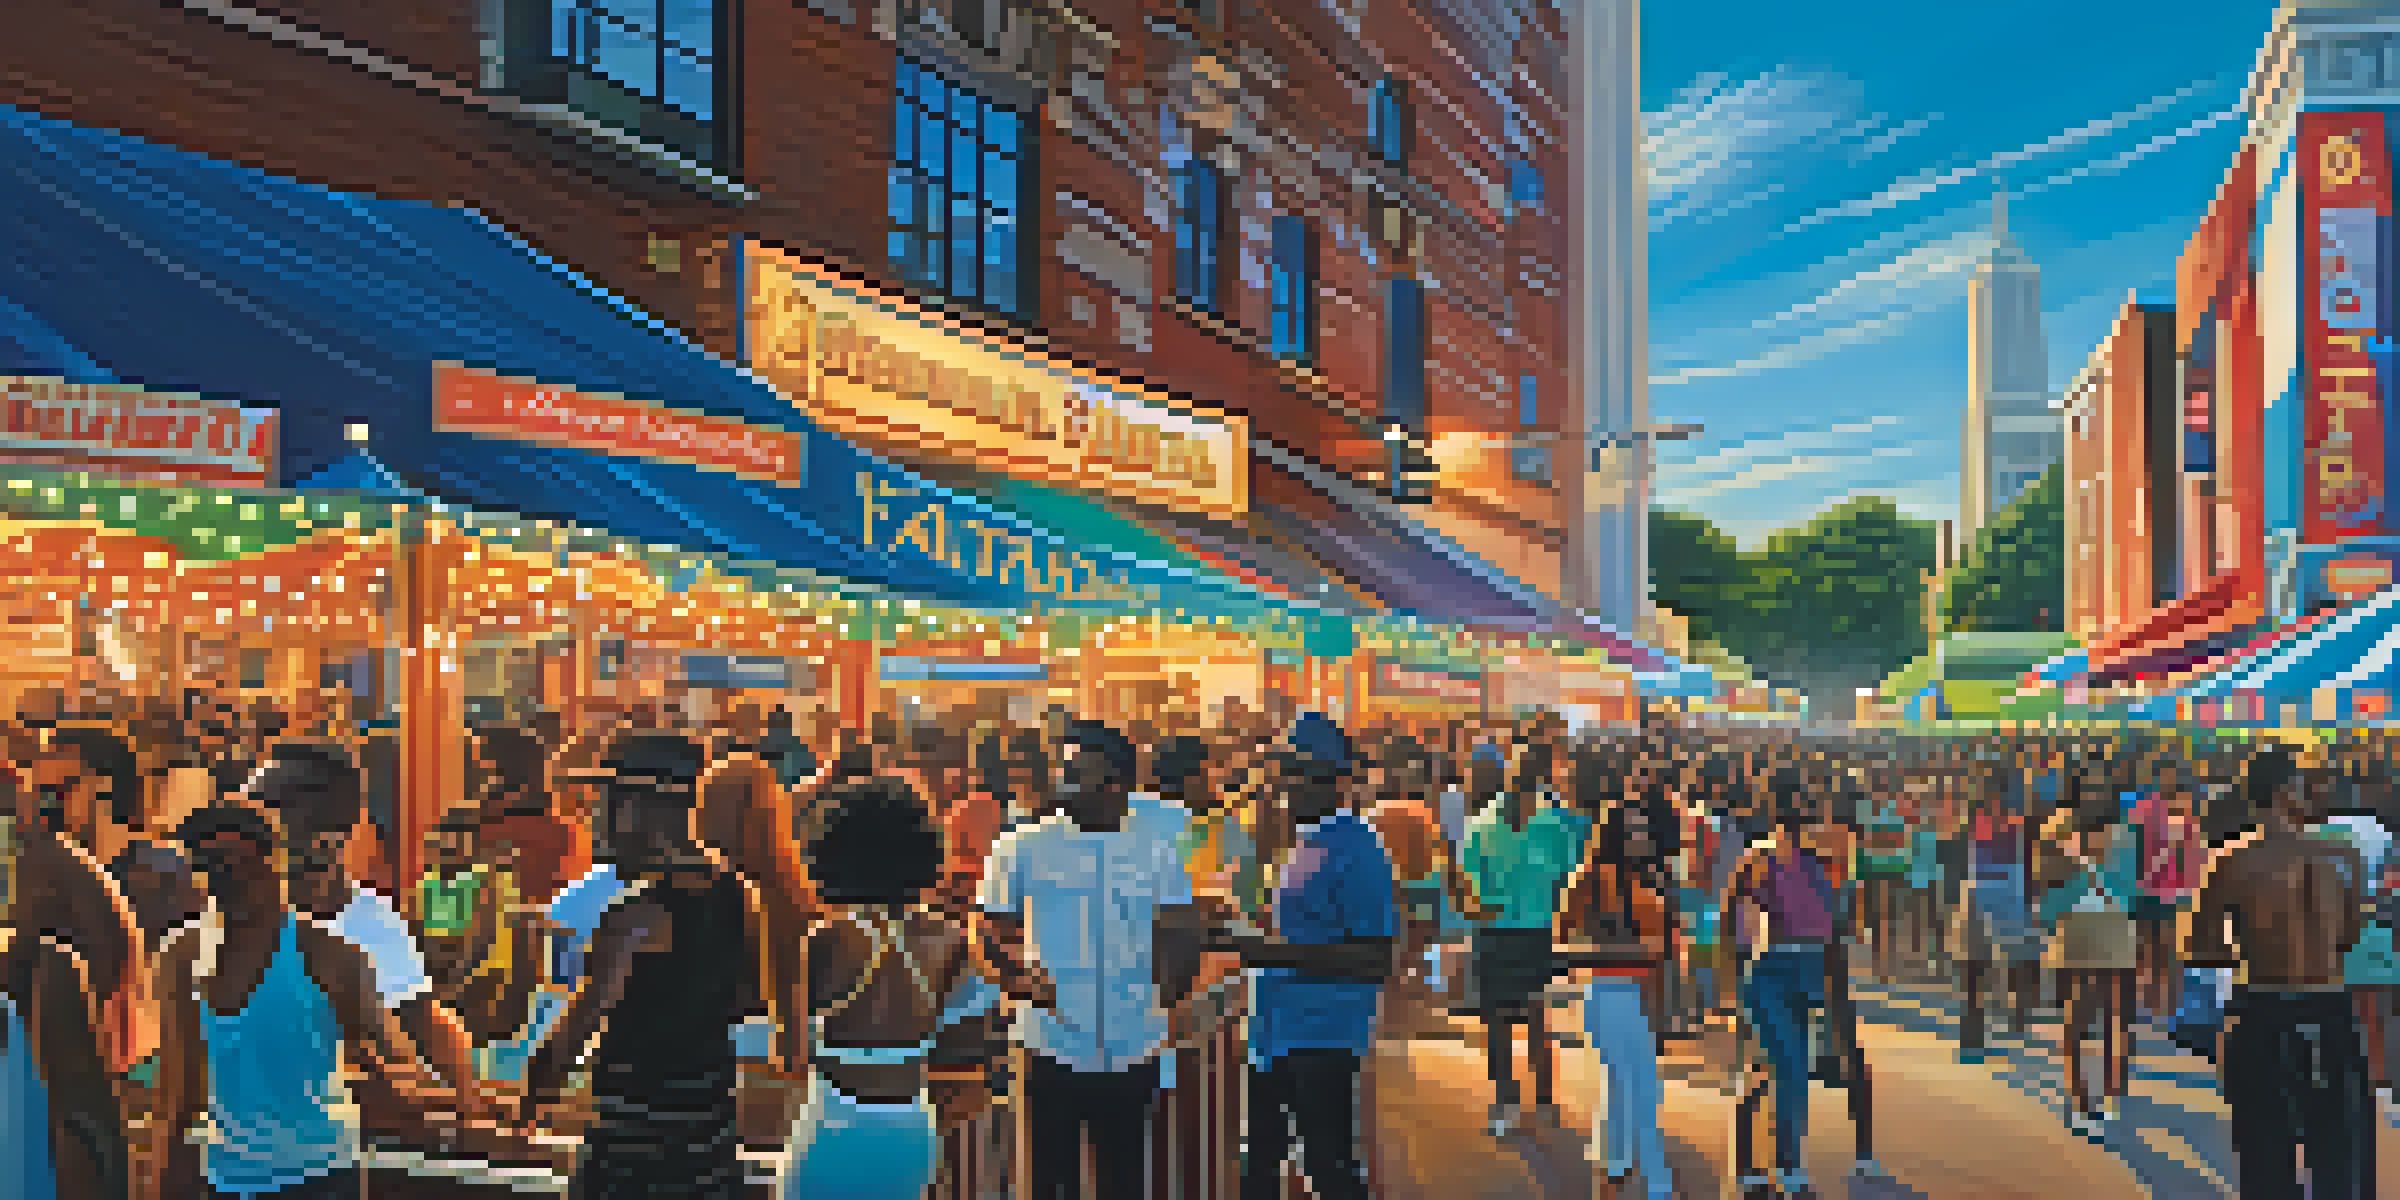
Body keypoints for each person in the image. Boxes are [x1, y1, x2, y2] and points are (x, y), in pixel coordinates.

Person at [153, 804, 460, 1199]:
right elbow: (178, 1094)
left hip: (323, 1179)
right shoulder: (181, 957)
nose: (227, 879)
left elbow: (401, 1062)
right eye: (212, 866)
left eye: (240, 864)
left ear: (275, 864)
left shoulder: (329, 956)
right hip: (227, 1179)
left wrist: (445, 1108)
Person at [519, 732, 757, 1200]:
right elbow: (743, 998)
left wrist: (527, 1103)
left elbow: (577, 1030)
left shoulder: (635, 917)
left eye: (606, 802)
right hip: (710, 1138)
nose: (595, 820)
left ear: (640, 809)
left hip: (638, 1151)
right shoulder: (734, 893)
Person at [974, 718, 1204, 1200]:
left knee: (1126, 1180)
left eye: (1077, 773)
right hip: (1050, 1045)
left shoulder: (1159, 851)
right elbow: (986, 930)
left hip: (1134, 1044)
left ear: (1116, 782)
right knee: (1047, 1183)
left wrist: (1168, 993)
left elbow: (1182, 925)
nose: (1063, 782)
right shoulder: (1020, 845)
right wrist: (1019, 979)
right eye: (1064, 770)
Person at [776, 775, 998, 1199]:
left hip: (832, 1123)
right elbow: (967, 1055)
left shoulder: (825, 939)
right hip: (910, 1128)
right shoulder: (953, 943)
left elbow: (790, 1051)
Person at [1210, 711, 1395, 1200]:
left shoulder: (1358, 847)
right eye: (1285, 773)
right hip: (1274, 1032)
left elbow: (1375, 959)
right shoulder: (1301, 841)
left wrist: (1266, 951)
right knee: (1259, 1164)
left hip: (1323, 1036)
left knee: (1328, 1167)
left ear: (1336, 781)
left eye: (1302, 774)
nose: (1288, 786)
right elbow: (1301, 930)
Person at [2187, 745, 2376, 1199]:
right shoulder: (2344, 856)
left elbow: (2203, 948)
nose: (2311, 792)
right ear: (2283, 791)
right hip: (2328, 1004)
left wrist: (2256, 944)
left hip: (2262, 1003)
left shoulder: (2231, 861)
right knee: (2341, 1151)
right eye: (2302, 783)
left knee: (2265, 1150)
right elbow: (2350, 935)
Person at [1723, 768, 1849, 1200]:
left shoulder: (1820, 859)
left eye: (1801, 798)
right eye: (1789, 800)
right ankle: (1786, 1167)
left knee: (1774, 1071)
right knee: (1789, 1068)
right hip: (1770, 971)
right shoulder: (1759, 857)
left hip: (1808, 972)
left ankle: (1750, 1163)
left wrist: (1832, 991)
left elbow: (1832, 931)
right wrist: (1732, 980)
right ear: (1773, 807)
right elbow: (1735, 919)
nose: (1797, 808)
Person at [1459, 738, 1587, 1135]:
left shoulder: (1484, 822)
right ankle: (1541, 1100)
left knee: (1501, 1020)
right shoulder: (1555, 823)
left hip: (1499, 932)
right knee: (1535, 1016)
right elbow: (1570, 881)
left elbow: (1469, 882)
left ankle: (1508, 1102)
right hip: (1534, 932)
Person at [1554, 791, 1674, 1200]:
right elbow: (1562, 937)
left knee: (1630, 1086)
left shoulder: (1644, 879)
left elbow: (1662, 951)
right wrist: (1610, 953)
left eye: (1643, 830)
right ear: (1616, 835)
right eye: (1633, 830)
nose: (1642, 837)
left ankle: (1622, 1171)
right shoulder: (1594, 880)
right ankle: (1649, 1181)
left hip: (1634, 992)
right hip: (1609, 992)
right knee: (1631, 1086)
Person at [2036, 760, 2138, 1139]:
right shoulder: (2058, 826)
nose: (2096, 794)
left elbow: (2128, 884)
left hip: (2114, 921)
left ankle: (2110, 1094)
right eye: (2089, 786)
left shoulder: (2124, 830)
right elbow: (2045, 877)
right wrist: (2080, 865)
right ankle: (2079, 1097)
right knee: (2078, 1013)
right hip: (2074, 922)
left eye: (2102, 786)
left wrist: (2088, 863)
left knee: (2116, 1014)